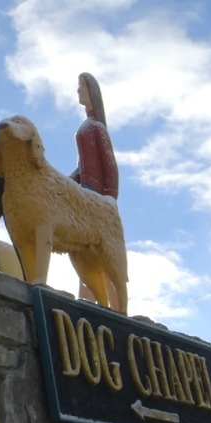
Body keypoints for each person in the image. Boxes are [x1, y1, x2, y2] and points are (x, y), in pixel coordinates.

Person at [70, 72, 121, 310]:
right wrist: (69, 180)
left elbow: (109, 164)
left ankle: (117, 305)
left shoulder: (97, 128)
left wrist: (110, 196)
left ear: (91, 91)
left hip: (97, 196)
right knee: (85, 251)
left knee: (103, 253)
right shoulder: (85, 127)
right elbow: (83, 166)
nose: (78, 90)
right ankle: (87, 300)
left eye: (81, 86)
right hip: (84, 193)